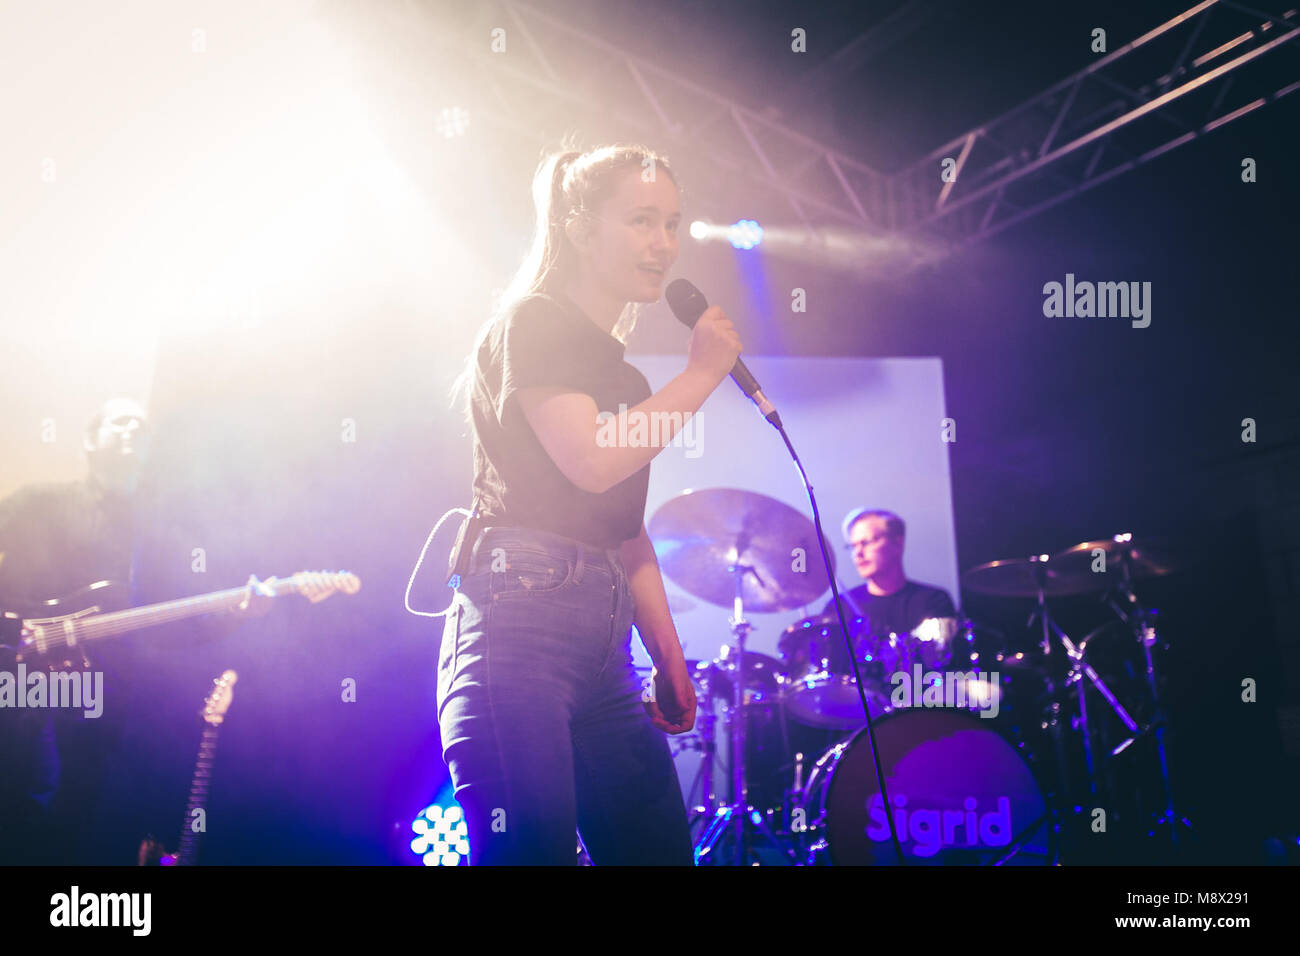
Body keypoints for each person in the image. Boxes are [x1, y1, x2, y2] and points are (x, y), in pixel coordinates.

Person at [439, 143, 743, 865]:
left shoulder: (626, 377)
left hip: (607, 655)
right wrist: (703, 373)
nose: (663, 244)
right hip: (519, 629)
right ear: (577, 225)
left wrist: (667, 653)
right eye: (641, 221)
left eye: (671, 224)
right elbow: (593, 462)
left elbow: (624, 528)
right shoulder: (534, 323)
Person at [818, 508, 957, 673]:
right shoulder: (839, 607)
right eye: (853, 546)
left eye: (866, 542)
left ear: (898, 543)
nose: (858, 553)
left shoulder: (933, 600)